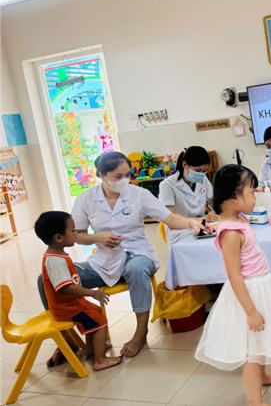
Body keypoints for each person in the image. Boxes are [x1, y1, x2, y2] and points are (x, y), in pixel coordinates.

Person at [38, 151, 212, 364]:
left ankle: (140, 333)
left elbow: (170, 218)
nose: (124, 180)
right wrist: (97, 237)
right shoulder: (86, 199)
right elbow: (76, 234)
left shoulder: (139, 194)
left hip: (138, 254)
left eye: (127, 175)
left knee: (136, 269)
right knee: (45, 279)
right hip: (103, 262)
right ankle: (67, 340)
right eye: (118, 176)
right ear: (101, 175)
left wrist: (192, 223)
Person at [195, 164, 271, 406]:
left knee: (261, 339)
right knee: (252, 349)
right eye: (251, 192)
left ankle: (263, 376)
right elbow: (234, 276)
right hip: (249, 292)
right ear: (233, 198)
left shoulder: (238, 219)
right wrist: (250, 311)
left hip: (261, 286)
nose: (255, 197)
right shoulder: (230, 233)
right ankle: (254, 400)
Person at [35, 211, 123, 371]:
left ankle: (91, 349)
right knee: (100, 323)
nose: (76, 232)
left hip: (73, 304)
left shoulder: (58, 255)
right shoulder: (55, 261)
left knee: (96, 312)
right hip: (68, 308)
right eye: (72, 230)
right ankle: (100, 360)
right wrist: (92, 293)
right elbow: (66, 287)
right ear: (59, 237)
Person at [159, 146, 217, 244]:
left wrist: (213, 213)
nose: (201, 174)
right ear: (185, 165)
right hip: (180, 232)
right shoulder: (167, 185)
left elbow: (210, 203)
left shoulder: (203, 179)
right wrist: (204, 219)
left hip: (203, 227)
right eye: (198, 171)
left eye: (204, 171)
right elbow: (171, 220)